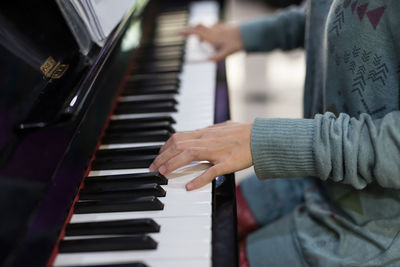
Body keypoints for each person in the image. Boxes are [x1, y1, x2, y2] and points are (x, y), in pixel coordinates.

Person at [149, 0, 400, 266]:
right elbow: (323, 12)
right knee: (202, 220)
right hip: (317, 174)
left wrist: (268, 141)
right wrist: (242, 35)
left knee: (209, 252)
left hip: (374, 223)